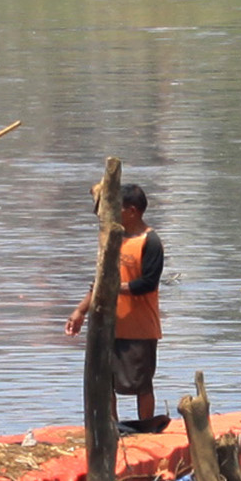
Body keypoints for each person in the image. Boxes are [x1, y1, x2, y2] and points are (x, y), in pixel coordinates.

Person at [66, 181, 166, 432]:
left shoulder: (150, 241)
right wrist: (80, 310)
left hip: (139, 327)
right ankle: (111, 427)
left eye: (117, 208)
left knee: (141, 383)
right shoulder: (114, 239)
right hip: (109, 325)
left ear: (132, 211)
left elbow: (148, 283)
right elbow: (100, 280)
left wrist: (113, 287)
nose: (113, 213)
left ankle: (146, 428)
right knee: (105, 381)